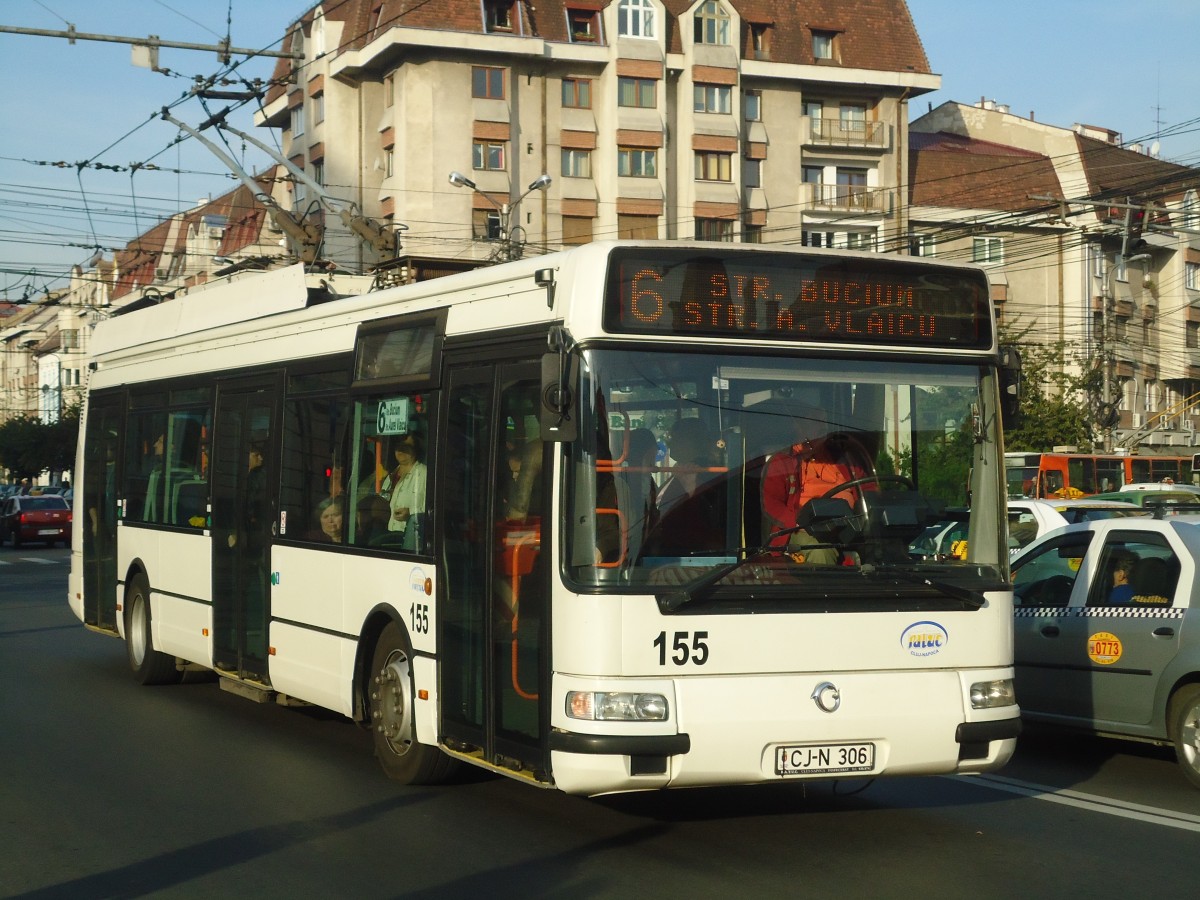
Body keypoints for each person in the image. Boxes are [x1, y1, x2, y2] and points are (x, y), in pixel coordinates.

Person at [761, 404, 873, 558]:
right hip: (803, 531)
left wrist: (870, 515)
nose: (823, 425)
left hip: (848, 529)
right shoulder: (782, 462)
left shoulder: (844, 458)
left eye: (824, 420)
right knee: (820, 552)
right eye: (815, 420)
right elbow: (771, 503)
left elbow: (869, 489)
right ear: (798, 426)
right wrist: (797, 524)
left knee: (883, 547)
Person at [382, 433, 427, 538]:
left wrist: (411, 514)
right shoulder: (390, 476)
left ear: (416, 449)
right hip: (388, 536)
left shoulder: (424, 474)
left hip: (410, 538)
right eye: (398, 447)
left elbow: (433, 509)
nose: (401, 450)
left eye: (406, 447)